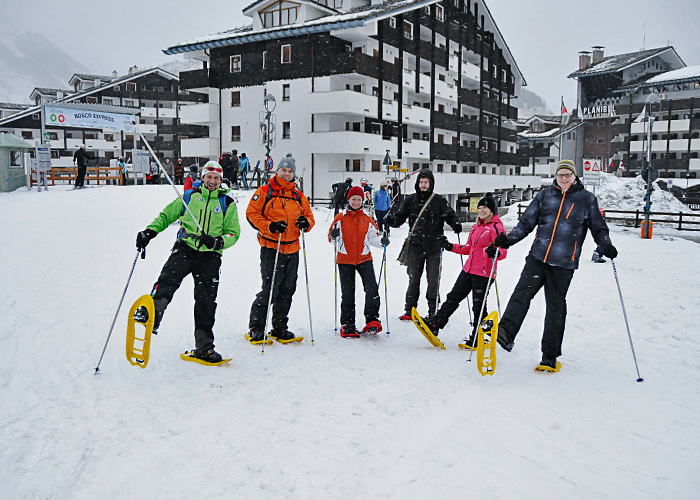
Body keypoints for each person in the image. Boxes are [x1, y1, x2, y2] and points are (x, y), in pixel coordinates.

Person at [493, 159, 618, 369]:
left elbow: (598, 226)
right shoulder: (545, 196)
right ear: (556, 176)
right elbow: (526, 223)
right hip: (538, 257)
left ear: (574, 176)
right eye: (560, 175)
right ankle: (506, 332)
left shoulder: (586, 199)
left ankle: (549, 355)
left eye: (567, 175)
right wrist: (508, 240)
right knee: (521, 293)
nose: (564, 179)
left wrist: (605, 245)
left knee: (555, 307)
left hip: (563, 263)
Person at [133, 161, 241, 362]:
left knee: (206, 301)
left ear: (220, 180)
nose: (212, 181)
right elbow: (166, 216)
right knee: (167, 279)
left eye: (216, 178)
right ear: (203, 177)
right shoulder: (190, 197)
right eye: (209, 177)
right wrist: (150, 232)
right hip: (186, 246)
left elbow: (234, 233)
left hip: (210, 255)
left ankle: (204, 347)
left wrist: (218, 242)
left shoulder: (226, 203)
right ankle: (152, 316)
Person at [245, 153, 315, 344]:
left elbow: (310, 217)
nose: (286, 174)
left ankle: (280, 326)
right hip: (271, 247)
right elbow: (251, 214)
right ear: (277, 171)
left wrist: (305, 223)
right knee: (270, 288)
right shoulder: (265, 191)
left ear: (294, 174)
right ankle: (256, 327)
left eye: (290, 171)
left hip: (293, 248)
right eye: (284, 170)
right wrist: (270, 226)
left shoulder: (298, 196)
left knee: (287, 289)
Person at [421, 194, 507, 345]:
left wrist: (496, 252)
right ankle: (436, 323)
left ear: (492, 210)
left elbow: (503, 252)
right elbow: (468, 249)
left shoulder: (496, 228)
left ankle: (479, 335)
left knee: (478, 306)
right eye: (479, 208)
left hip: (484, 273)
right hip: (468, 269)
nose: (481, 211)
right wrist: (450, 246)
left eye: (485, 208)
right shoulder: (476, 227)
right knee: (453, 297)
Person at [386, 169, 462, 319]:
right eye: (421, 182)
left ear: (431, 183)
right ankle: (409, 309)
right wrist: (392, 221)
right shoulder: (411, 200)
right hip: (415, 246)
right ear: (417, 183)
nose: (423, 185)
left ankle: (433, 311)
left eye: (426, 182)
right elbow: (400, 217)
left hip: (434, 247)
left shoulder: (439, 201)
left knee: (433, 281)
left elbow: (450, 215)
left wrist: (456, 224)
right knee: (413, 279)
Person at [329, 186, 389, 338]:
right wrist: (334, 235)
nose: (356, 202)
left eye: (359, 199)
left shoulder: (367, 218)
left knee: (372, 289)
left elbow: (373, 238)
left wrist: (382, 242)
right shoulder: (340, 217)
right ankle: (348, 324)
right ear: (348, 200)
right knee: (348, 293)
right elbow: (331, 238)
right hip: (345, 259)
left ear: (363, 201)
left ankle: (372, 320)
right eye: (353, 199)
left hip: (364, 258)